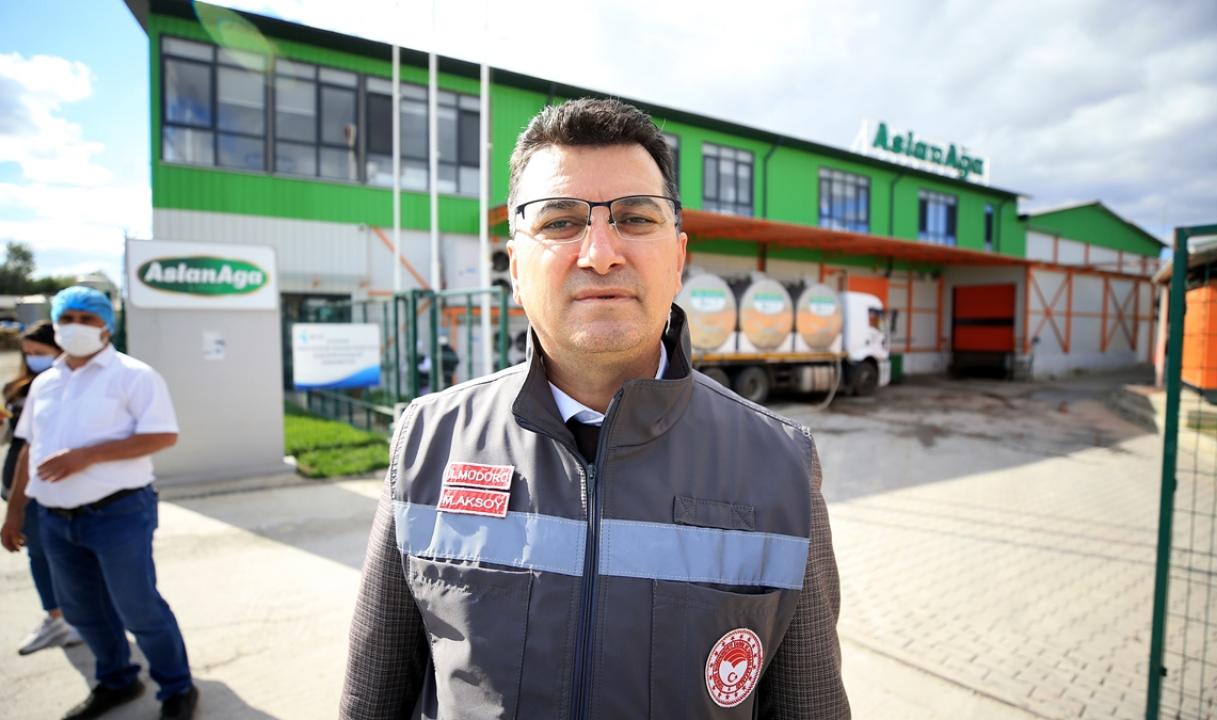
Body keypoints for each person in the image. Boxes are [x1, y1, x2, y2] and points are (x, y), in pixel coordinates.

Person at [341, 98, 849, 718]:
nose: (601, 253)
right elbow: (370, 699)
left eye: (635, 218)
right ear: (515, 268)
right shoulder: (427, 442)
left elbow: (811, 705)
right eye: (560, 222)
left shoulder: (780, 465)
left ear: (678, 258)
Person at [2, 286, 199, 720]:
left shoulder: (134, 375)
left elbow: (163, 435)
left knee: (137, 607)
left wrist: (87, 456)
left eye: (87, 319)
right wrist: (15, 510)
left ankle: (177, 688)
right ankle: (117, 680)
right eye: (67, 318)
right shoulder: (46, 383)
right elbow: (28, 448)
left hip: (118, 514)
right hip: (55, 519)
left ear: (106, 326)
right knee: (82, 610)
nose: (76, 326)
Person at [0, 321, 84, 654]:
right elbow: (12, 441)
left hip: (55, 481)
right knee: (38, 553)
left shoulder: (68, 386)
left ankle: (79, 617)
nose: (32, 359)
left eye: (39, 352)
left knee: (68, 555)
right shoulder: (18, 389)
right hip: (20, 480)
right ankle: (56, 616)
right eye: (27, 353)